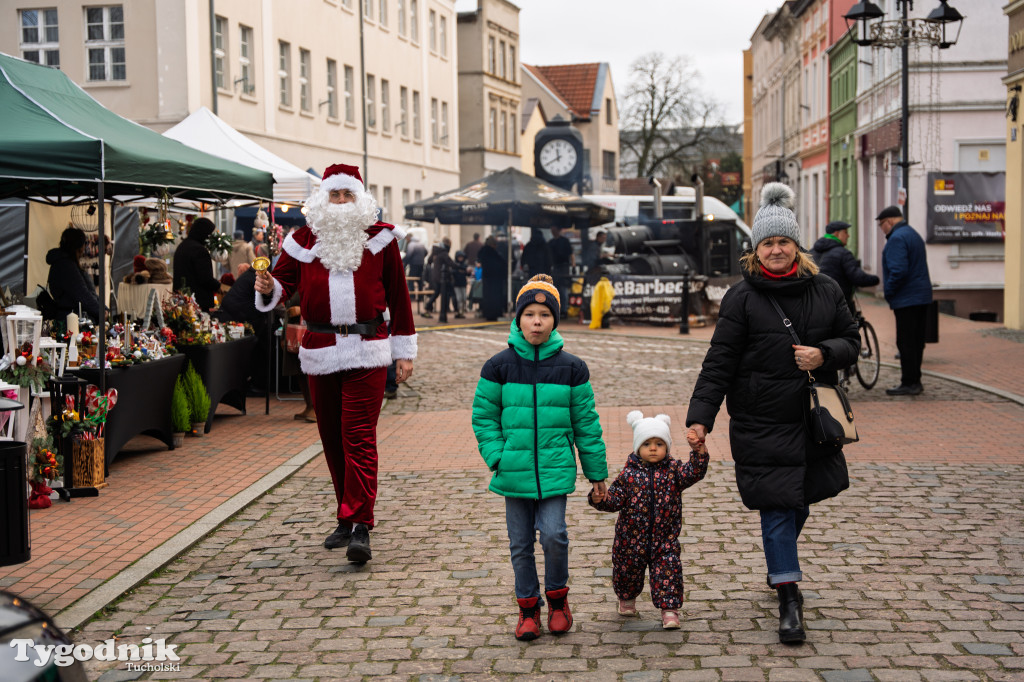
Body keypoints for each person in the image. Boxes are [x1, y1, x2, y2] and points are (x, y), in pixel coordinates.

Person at [686, 183, 859, 644]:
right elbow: (718, 362)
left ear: (796, 245)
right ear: (756, 250)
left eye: (784, 241)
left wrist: (824, 354)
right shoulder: (742, 299)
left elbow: (851, 342)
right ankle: (788, 595)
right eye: (768, 243)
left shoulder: (826, 289)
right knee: (779, 507)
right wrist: (700, 417)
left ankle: (781, 568)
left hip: (812, 420)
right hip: (761, 422)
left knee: (799, 499)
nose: (777, 249)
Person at [253, 163, 416, 564]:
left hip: (368, 346)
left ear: (360, 198)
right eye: (334, 195)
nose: (341, 203)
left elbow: (399, 295)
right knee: (330, 436)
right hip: (321, 349)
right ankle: (346, 513)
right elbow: (282, 286)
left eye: (347, 195)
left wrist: (403, 351)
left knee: (357, 434)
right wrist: (268, 286)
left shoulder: (381, 240)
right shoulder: (302, 240)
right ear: (322, 199)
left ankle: (361, 524)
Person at [472, 274, 608, 641]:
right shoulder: (497, 366)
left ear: (554, 321)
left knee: (554, 535)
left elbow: (587, 424)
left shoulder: (572, 368)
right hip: (512, 472)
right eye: (529, 314)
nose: (536, 321)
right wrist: (498, 457)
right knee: (520, 546)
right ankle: (528, 609)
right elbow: (483, 417)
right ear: (517, 319)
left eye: (544, 315)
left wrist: (597, 475)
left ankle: (558, 600)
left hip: (554, 470)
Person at [589, 412, 709, 629]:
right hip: (631, 538)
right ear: (638, 447)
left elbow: (694, 473)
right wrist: (599, 499)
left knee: (669, 572)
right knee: (627, 570)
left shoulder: (674, 471)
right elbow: (614, 500)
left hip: (665, 539)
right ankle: (626, 599)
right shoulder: (628, 475)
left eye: (659, 443)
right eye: (647, 443)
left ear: (667, 447)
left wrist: (698, 452)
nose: (653, 448)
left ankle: (669, 610)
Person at [877, 205, 932, 396]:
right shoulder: (912, 234)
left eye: (881, 225)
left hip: (907, 298)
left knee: (906, 342)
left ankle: (909, 382)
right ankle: (915, 380)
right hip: (921, 296)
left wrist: (889, 291)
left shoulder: (897, 238)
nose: (882, 229)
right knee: (916, 341)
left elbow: (898, 270)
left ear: (889, 222)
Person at [810, 221, 880, 318]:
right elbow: (857, 277)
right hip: (838, 303)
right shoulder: (844, 254)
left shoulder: (811, 253)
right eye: (845, 232)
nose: (848, 235)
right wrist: (875, 279)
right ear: (837, 233)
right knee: (846, 330)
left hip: (813, 303)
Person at [45, 227, 100, 321]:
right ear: (79, 246)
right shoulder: (66, 266)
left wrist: (103, 308)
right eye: (84, 244)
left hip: (72, 316)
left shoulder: (67, 263)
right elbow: (82, 294)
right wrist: (100, 311)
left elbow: (85, 293)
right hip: (72, 320)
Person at [172, 217, 222, 311]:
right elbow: (205, 278)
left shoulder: (182, 246)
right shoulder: (199, 250)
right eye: (210, 234)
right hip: (198, 302)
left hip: (181, 299)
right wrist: (219, 286)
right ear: (204, 233)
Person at [477, 236, 506, 321]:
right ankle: (494, 313)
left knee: (487, 296)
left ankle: (488, 313)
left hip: (487, 277)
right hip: (494, 278)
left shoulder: (483, 252)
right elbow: (499, 264)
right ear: (493, 244)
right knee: (494, 297)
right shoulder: (492, 253)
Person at [548, 227, 574, 317]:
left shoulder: (565, 241)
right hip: (555, 267)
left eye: (554, 230)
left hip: (564, 266)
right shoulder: (550, 242)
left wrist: (573, 266)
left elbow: (571, 254)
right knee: (555, 288)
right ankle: (557, 309)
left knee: (563, 288)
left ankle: (564, 310)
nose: (553, 232)